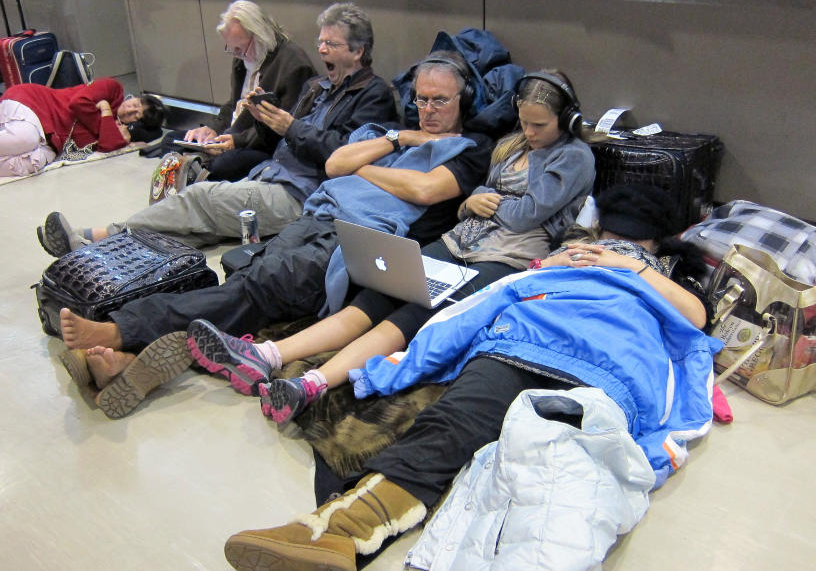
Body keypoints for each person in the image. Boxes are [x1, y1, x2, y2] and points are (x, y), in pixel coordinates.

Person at [221, 184, 720, 571]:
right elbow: (500, 294)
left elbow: (695, 320)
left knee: (553, 481)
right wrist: (405, 363)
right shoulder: (568, 256)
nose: (616, 244)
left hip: (611, 369)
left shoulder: (670, 274)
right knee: (449, 426)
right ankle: (334, 531)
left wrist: (627, 265)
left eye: (630, 239)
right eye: (612, 236)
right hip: (524, 343)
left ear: (657, 242)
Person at [58, 51, 493, 419]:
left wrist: (364, 168)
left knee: (257, 287)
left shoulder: (471, 149)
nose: (429, 109)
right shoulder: (393, 135)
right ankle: (131, 361)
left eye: (440, 100)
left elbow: (424, 189)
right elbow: (336, 164)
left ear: (463, 100)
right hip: (318, 216)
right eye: (422, 99)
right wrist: (399, 138)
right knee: (250, 283)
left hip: (358, 243)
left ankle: (119, 331)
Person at [187, 70, 599, 424]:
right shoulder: (515, 148)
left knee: (413, 312)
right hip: (459, 241)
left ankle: (311, 384)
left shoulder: (574, 156)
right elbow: (479, 196)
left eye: (539, 126)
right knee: (378, 295)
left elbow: (527, 215)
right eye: (524, 123)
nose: (528, 133)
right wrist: (472, 201)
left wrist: (486, 202)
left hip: (505, 258)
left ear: (566, 120)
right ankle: (267, 355)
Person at [36, 2, 396, 257]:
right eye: (320, 41)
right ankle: (105, 253)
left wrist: (290, 127)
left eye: (330, 44)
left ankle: (96, 238)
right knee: (190, 231)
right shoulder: (318, 86)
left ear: (358, 50)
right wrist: (264, 119)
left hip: (302, 195)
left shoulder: (374, 95)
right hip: (271, 175)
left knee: (201, 197)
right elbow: (276, 140)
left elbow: (345, 156)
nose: (321, 50)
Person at [0, 77, 164, 191]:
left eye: (136, 116)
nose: (131, 111)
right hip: (34, 104)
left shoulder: (112, 121)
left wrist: (106, 114)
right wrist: (104, 116)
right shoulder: (112, 88)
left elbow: (108, 145)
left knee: (31, 163)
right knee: (25, 139)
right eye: (136, 105)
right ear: (135, 98)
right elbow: (78, 103)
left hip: (52, 140)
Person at [183, 0, 316, 181]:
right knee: (178, 141)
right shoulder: (243, 57)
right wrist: (213, 129)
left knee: (223, 164)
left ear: (260, 37)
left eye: (240, 48)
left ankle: (199, 174)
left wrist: (236, 141)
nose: (237, 54)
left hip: (263, 145)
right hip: (234, 133)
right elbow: (233, 105)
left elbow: (284, 128)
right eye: (232, 48)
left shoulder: (294, 65)